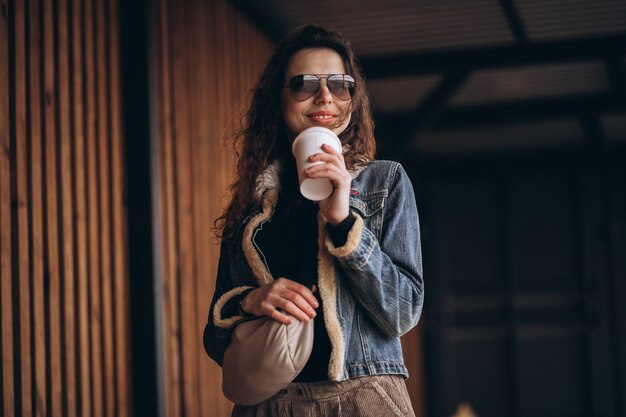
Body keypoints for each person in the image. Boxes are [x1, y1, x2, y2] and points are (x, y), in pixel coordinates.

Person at [203, 24, 424, 417]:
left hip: (363, 396)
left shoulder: (384, 182)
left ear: (352, 100)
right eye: (304, 83)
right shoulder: (251, 203)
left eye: (340, 84)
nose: (325, 96)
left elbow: (403, 313)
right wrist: (251, 301)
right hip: (269, 404)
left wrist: (343, 223)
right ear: (279, 99)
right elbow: (215, 341)